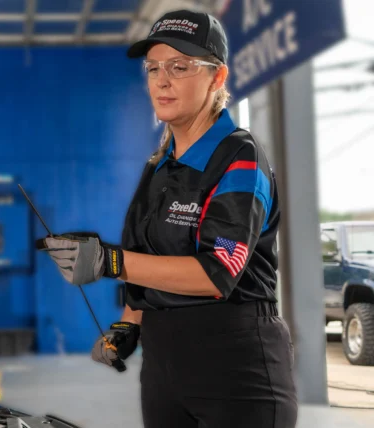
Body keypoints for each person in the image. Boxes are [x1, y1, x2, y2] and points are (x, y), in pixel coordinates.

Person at [35, 9, 298, 428]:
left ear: (217, 77)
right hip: (164, 367)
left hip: (236, 367)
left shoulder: (239, 158)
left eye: (180, 66)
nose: (162, 79)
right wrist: (128, 325)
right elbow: (147, 256)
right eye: (153, 67)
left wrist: (109, 261)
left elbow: (217, 274)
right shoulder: (159, 166)